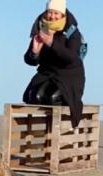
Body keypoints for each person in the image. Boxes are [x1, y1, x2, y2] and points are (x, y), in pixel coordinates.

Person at [23, 0, 85, 128]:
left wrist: (52, 43)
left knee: (52, 97)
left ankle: (58, 132)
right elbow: (30, 61)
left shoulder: (72, 31)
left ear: (62, 14)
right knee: (36, 96)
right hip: (47, 75)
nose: (52, 16)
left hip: (69, 76)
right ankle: (43, 132)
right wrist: (35, 51)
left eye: (56, 13)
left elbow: (72, 59)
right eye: (50, 12)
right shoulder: (41, 28)